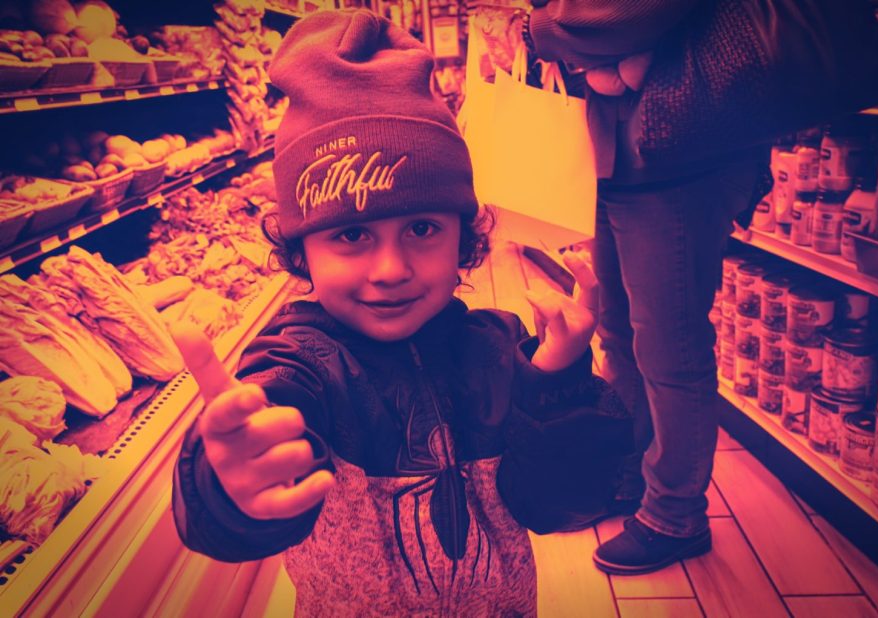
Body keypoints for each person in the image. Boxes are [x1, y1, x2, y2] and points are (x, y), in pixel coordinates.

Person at [171, 9, 631, 616]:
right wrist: (227, 483)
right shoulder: (299, 362)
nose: (390, 268)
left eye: (421, 228)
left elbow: (557, 507)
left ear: (462, 235)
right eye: (352, 234)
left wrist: (556, 384)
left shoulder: (499, 349)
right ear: (300, 247)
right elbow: (261, 454)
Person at [514, 1, 769, 575]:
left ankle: (675, 514)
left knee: (669, 348)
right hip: (622, 160)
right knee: (621, 332)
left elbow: (623, 18)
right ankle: (629, 472)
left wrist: (541, 27)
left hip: (679, 160)